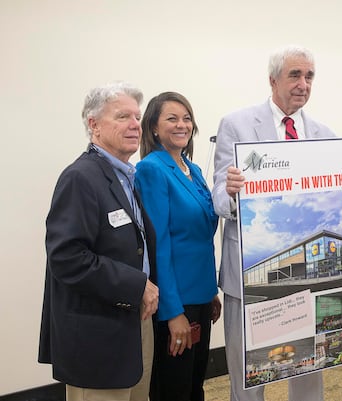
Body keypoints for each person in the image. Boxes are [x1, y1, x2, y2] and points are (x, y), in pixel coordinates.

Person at [211, 44, 335, 401]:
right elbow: (219, 193)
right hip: (251, 269)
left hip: (308, 271)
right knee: (249, 375)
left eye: (309, 76)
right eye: (295, 75)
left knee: (309, 366)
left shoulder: (323, 134)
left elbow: (332, 197)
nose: (303, 83)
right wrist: (232, 194)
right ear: (272, 80)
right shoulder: (236, 123)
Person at [38, 82, 159, 401]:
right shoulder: (81, 178)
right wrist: (137, 285)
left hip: (133, 322)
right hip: (97, 335)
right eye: (123, 116)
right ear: (93, 124)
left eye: (137, 116)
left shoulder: (124, 176)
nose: (135, 124)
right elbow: (67, 258)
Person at [135, 91, 221, 401]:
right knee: (174, 390)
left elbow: (200, 235)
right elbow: (159, 245)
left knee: (194, 384)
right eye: (172, 118)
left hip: (199, 295)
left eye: (186, 118)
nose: (181, 125)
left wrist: (210, 292)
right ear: (154, 128)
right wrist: (172, 313)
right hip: (176, 301)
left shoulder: (192, 169)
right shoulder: (152, 169)